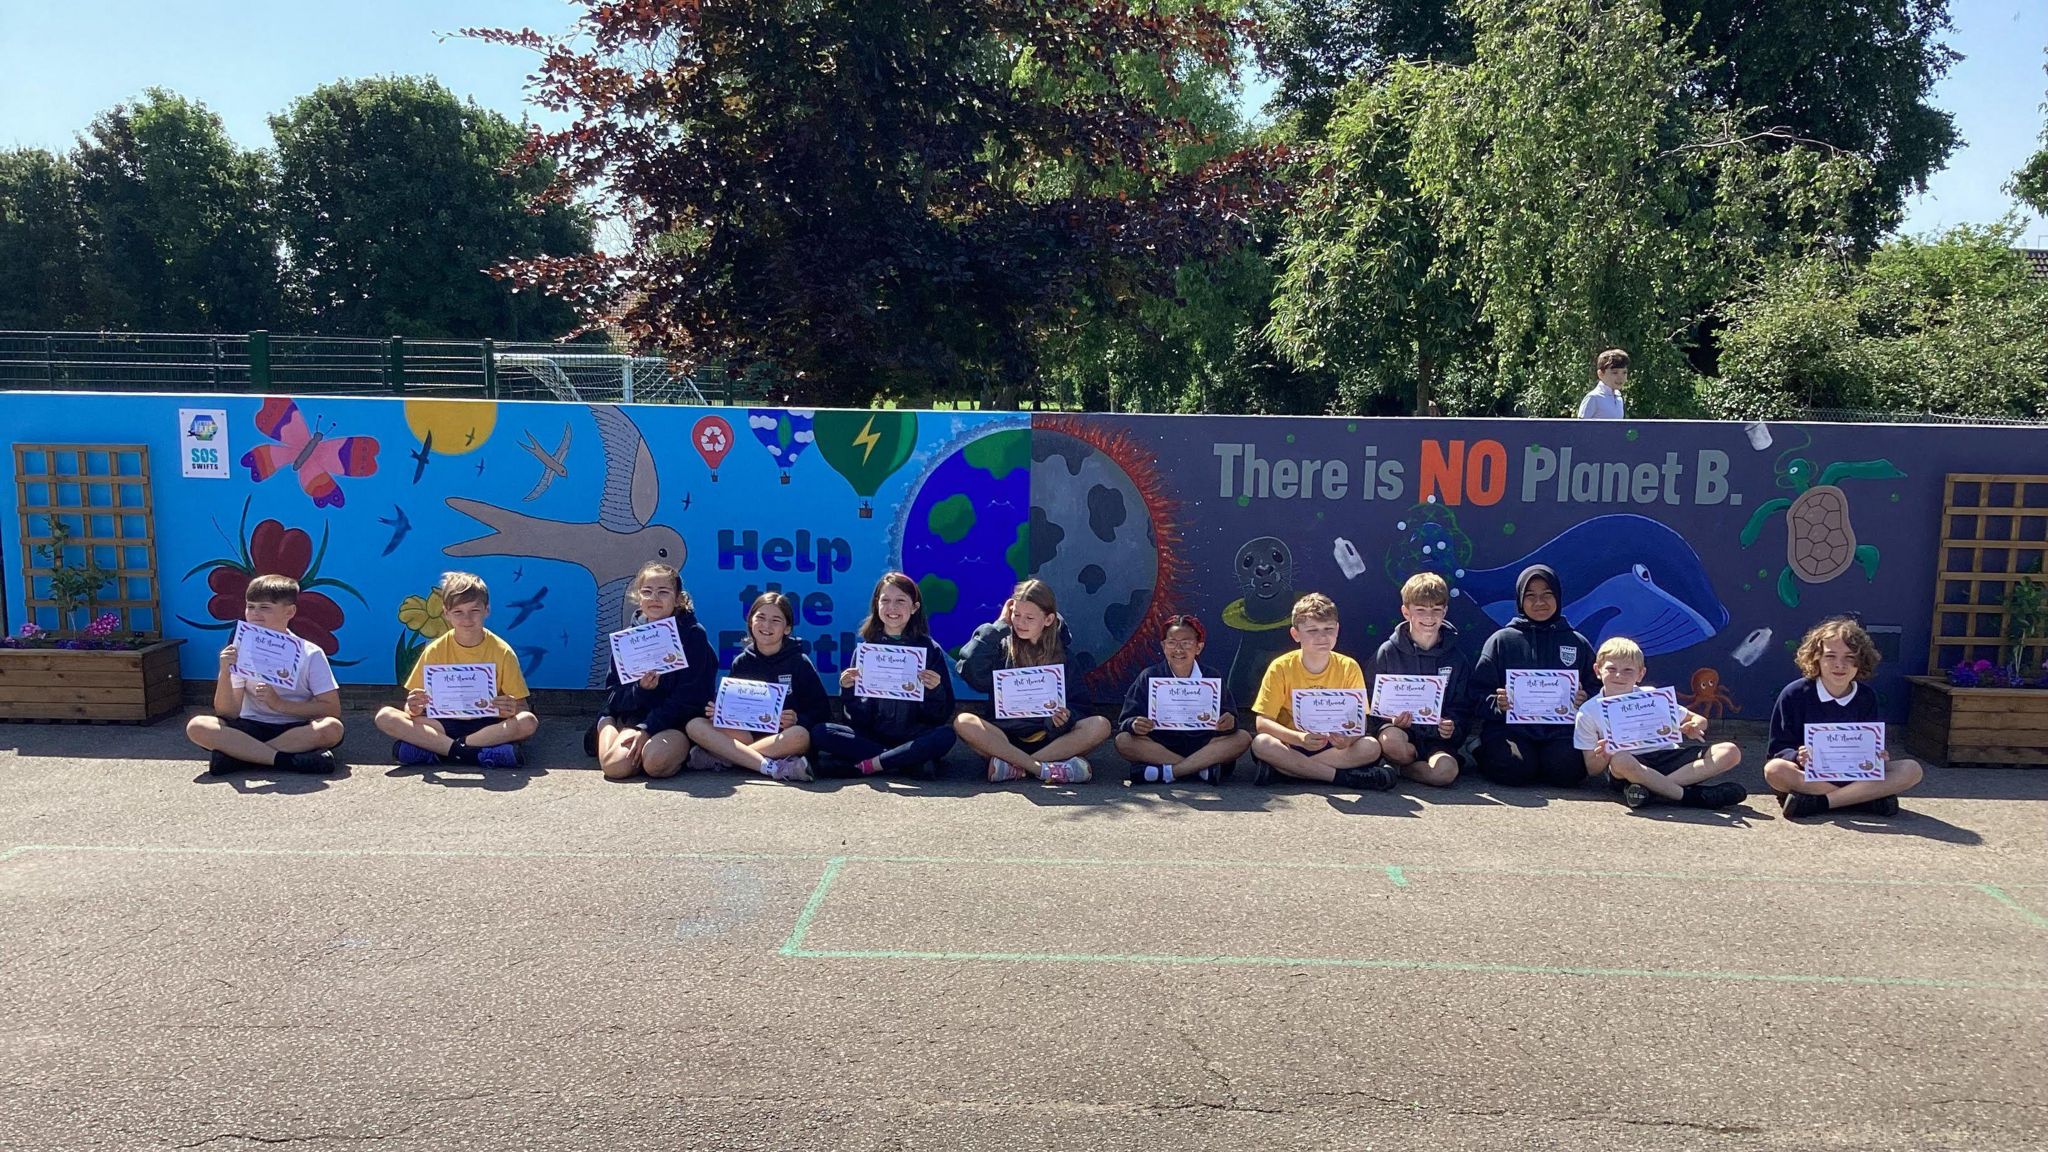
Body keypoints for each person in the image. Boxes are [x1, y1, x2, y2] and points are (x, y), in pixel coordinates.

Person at [1763, 617, 1925, 820]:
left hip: (1855, 775)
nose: (1839, 665)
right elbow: (1777, 750)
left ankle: (1823, 802)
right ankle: (1865, 800)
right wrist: (1797, 756)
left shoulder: (1866, 697)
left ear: (1861, 661)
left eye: (1849, 657)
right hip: (1810, 774)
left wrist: (1878, 755)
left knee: (1911, 769)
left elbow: (1870, 746)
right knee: (1774, 771)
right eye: (1830, 656)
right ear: (1816, 659)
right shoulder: (1794, 693)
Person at [374, 571, 539, 768]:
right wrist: (414, 706)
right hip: (442, 724)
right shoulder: (435, 649)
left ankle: (440, 751)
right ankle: (470, 754)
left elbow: (521, 708)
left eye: (474, 611)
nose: (467, 619)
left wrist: (510, 708)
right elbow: (412, 707)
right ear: (446, 614)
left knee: (528, 722)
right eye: (458, 612)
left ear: (487, 610)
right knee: (385, 717)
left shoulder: (502, 651)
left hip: (487, 724)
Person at [954, 579, 1110, 784]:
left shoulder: (1063, 656)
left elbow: (1080, 704)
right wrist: (999, 626)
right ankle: (1043, 769)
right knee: (963, 721)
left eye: (1029, 617)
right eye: (1016, 615)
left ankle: (1017, 767)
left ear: (1047, 619)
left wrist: (1064, 718)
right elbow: (969, 671)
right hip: (1004, 738)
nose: (1020, 623)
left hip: (1051, 741)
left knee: (1101, 725)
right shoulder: (1001, 646)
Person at [185, 574, 345, 775]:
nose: (255, 614)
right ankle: (283, 760)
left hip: (294, 727)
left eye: (265, 608)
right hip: (249, 727)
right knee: (198, 726)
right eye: (250, 607)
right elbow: (228, 713)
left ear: (290, 611)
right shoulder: (239, 650)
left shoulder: (310, 652)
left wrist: (280, 704)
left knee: (332, 728)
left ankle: (241, 756)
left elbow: (331, 709)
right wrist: (225, 672)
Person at [813, 572, 958, 777]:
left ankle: (872, 764)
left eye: (900, 601)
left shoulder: (929, 650)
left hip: (913, 735)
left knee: (946, 735)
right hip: (872, 737)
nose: (892, 608)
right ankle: (903, 761)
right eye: (886, 600)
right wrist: (848, 690)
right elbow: (856, 720)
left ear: (914, 608)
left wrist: (934, 691)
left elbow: (940, 716)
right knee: (821, 732)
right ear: (877, 605)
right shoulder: (866, 650)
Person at [1574, 637, 1746, 809]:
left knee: (1729, 752)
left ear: (1640, 674)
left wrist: (1694, 725)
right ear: (1598, 670)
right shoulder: (1588, 711)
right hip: (1631, 768)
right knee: (1620, 760)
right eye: (1611, 669)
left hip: (1667, 756)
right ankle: (1690, 797)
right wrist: (1605, 754)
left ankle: (1651, 792)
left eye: (1628, 670)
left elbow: (1700, 720)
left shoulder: (1652, 696)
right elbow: (1592, 769)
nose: (1619, 675)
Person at [1248, 592, 1396, 790]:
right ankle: (1342, 778)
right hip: (1293, 742)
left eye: (1328, 629)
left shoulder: (1348, 666)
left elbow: (1359, 723)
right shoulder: (1281, 666)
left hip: (1333, 745)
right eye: (1312, 630)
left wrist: (1347, 740)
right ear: (1295, 634)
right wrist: (1298, 738)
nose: (1322, 637)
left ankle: (1287, 770)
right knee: (1261, 744)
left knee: (1371, 746)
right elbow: (1263, 722)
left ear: (1337, 630)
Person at [1469, 564, 1599, 788]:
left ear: (1557, 597)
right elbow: (1476, 693)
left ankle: (1543, 763)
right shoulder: (1502, 641)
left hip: (1561, 732)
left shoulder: (1576, 642)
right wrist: (1497, 704)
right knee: (1514, 768)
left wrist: (1585, 698)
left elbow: (1598, 690)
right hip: (1510, 729)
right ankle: (1481, 749)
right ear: (1520, 600)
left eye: (1547, 595)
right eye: (1531, 596)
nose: (1539, 603)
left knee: (1567, 771)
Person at [588, 561, 716, 781]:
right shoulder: (628, 638)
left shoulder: (693, 634)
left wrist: (649, 727)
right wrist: (641, 689)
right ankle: (606, 724)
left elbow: (693, 697)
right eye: (647, 592)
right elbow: (614, 696)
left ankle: (674, 750)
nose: (654, 598)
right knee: (615, 768)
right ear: (638, 597)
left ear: (678, 598)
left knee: (655, 764)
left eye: (663, 592)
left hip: (677, 723)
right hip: (635, 716)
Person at [685, 592, 827, 782]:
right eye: (760, 618)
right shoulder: (742, 662)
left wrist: (797, 718)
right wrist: (720, 712)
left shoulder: (799, 662)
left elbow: (823, 712)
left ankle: (728, 758)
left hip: (781, 740)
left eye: (776, 620)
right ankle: (771, 766)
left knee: (800, 735)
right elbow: (733, 709)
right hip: (746, 737)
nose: (766, 626)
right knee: (695, 725)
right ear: (750, 621)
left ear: (787, 628)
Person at [1114, 614, 1252, 785]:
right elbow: (1126, 720)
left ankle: (1169, 772)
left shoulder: (1211, 677)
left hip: (1204, 745)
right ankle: (1199, 770)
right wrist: (1135, 724)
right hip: (1161, 746)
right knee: (1123, 740)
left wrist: (1229, 722)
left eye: (1186, 643)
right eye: (1172, 643)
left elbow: (1230, 718)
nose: (1178, 649)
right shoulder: (1149, 676)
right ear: (1164, 646)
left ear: (1199, 647)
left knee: (1242, 738)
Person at [1367, 573, 1470, 787]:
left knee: (1445, 772)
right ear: (1406, 612)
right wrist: (1389, 720)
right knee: (1391, 743)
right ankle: (1396, 759)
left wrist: (1452, 726)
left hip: (1436, 739)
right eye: (1421, 610)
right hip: (1399, 731)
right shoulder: (1387, 653)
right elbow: (1370, 704)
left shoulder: (1456, 657)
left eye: (1436, 610)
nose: (1429, 617)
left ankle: (1403, 770)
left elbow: (1463, 707)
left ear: (1445, 611)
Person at [1576, 348, 1629, 420]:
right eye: (1615, 372)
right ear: (1600, 374)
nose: (1620, 377)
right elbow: (1580, 427)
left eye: (1624, 372)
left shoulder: (1618, 397)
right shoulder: (1593, 397)